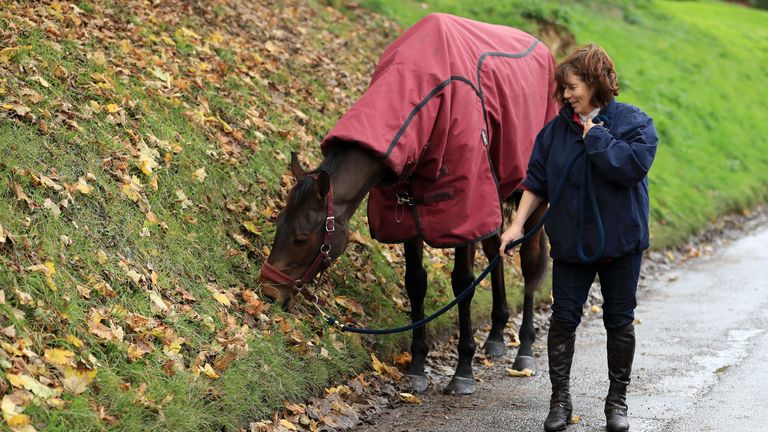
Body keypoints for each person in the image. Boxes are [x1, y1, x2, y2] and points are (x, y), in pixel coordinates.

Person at [499, 44, 658, 432]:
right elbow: (536, 181)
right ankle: (560, 401)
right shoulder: (554, 132)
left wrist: (596, 138)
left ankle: (616, 402)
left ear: (595, 82)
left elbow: (630, 167)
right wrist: (517, 225)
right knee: (563, 320)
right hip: (572, 244)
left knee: (619, 322)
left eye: (572, 87)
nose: (566, 95)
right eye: (563, 88)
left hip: (621, 244)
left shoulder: (635, 124)